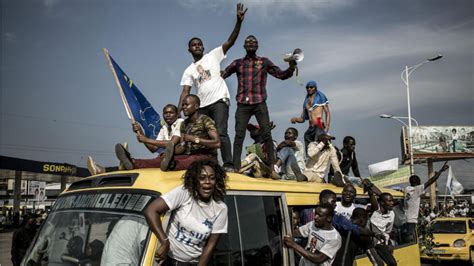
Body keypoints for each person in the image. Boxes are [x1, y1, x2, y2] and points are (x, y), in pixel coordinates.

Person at [178, 3, 247, 172]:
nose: (198, 46)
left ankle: (228, 164)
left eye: (200, 44)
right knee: (203, 135)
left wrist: (238, 22)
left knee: (221, 132)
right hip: (201, 105)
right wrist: (180, 108)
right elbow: (186, 91)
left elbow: (230, 41)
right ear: (189, 49)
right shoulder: (189, 70)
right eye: (194, 45)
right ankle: (211, 163)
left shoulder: (213, 56)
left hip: (219, 100)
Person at [222, 34, 297, 178]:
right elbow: (223, 74)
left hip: (259, 102)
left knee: (267, 134)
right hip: (243, 103)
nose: (250, 43)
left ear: (257, 46)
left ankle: (271, 169)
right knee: (239, 135)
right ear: (244, 46)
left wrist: (291, 68)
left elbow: (281, 74)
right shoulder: (238, 63)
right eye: (248, 42)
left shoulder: (264, 62)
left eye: (253, 42)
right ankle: (236, 167)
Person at [143, 159, 228, 265]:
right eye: (202, 178)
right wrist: (164, 242)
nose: (207, 181)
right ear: (195, 180)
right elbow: (151, 211)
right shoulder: (184, 193)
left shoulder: (220, 208)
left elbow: (210, 246)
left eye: (212, 178)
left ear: (216, 182)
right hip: (167, 260)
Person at [116, 95, 221, 171]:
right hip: (189, 154)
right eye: (183, 105)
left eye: (187, 105)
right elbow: (182, 147)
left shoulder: (205, 120)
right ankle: (133, 162)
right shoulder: (185, 124)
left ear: (196, 106)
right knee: (160, 159)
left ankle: (171, 165)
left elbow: (217, 143)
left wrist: (195, 139)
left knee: (187, 161)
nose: (183, 107)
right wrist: (170, 153)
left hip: (206, 156)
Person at [88, 104, 184, 175]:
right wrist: (141, 133)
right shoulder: (164, 127)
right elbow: (154, 148)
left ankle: (125, 162)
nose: (168, 115)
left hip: (178, 157)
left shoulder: (180, 122)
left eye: (171, 113)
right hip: (165, 157)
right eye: (165, 113)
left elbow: (172, 143)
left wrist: (145, 139)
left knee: (148, 163)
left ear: (176, 115)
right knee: (147, 163)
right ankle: (105, 169)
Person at [403, 162, 449, 242]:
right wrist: (441, 170)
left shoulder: (407, 189)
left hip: (405, 219)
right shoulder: (417, 189)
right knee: (411, 240)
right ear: (418, 182)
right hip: (411, 220)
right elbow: (432, 180)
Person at [290, 81, 331, 153]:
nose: (309, 89)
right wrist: (295, 119)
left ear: (315, 88)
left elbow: (327, 113)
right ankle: (309, 159)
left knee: (316, 146)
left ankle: (317, 159)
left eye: (311, 87)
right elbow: (302, 119)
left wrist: (327, 128)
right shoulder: (306, 101)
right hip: (311, 126)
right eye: (307, 87)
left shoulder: (320, 97)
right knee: (307, 138)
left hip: (319, 124)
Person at [369, 193, 397, 266]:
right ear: (382, 203)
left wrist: (387, 242)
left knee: (392, 263)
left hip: (381, 243)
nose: (392, 203)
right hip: (370, 242)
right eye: (389, 201)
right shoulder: (374, 211)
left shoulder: (391, 214)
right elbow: (372, 197)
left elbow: (388, 231)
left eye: (392, 201)